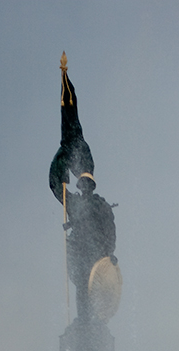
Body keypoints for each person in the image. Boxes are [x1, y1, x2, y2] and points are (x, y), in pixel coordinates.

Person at [49, 56, 117, 320]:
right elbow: (58, 190)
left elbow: (110, 231)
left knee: (90, 299)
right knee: (86, 300)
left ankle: (89, 327)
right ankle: (85, 328)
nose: (84, 185)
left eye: (84, 182)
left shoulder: (92, 204)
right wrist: (59, 170)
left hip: (91, 262)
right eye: (83, 182)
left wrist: (110, 255)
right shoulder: (87, 203)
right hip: (86, 260)